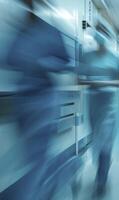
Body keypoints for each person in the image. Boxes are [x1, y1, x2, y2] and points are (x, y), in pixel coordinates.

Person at [4, 0, 76, 198]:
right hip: (22, 101)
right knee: (33, 154)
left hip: (45, 99)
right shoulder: (18, 32)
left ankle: (34, 193)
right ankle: (66, 168)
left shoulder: (51, 31)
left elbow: (68, 63)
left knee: (36, 155)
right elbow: (8, 59)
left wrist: (46, 64)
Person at [80, 29, 119, 196]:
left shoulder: (115, 58)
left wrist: (104, 83)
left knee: (106, 140)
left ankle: (101, 180)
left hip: (109, 105)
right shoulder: (87, 56)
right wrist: (93, 83)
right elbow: (78, 78)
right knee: (96, 140)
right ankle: (101, 169)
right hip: (92, 104)